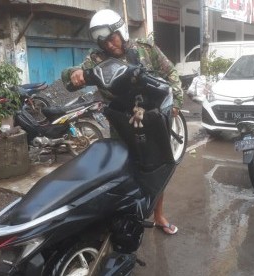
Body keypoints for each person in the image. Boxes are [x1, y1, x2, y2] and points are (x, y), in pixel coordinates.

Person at [61, 9, 183, 235]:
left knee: (156, 169)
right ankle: (125, 215)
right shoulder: (96, 59)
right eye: (103, 42)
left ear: (121, 31)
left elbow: (171, 73)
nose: (108, 45)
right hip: (121, 124)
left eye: (111, 38)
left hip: (152, 119)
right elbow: (71, 80)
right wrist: (74, 72)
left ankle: (158, 215)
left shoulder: (146, 50)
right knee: (123, 170)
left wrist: (175, 103)